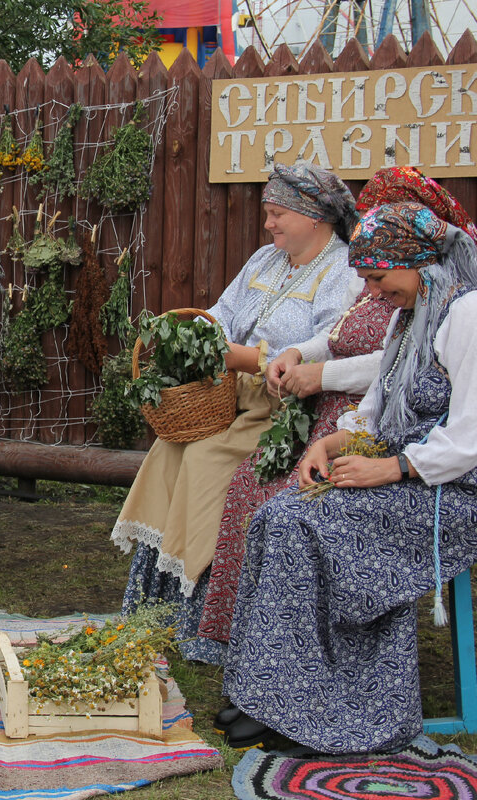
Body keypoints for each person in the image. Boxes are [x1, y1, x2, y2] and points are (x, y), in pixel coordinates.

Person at [221, 201, 477, 753]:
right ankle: (271, 694)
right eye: (369, 281)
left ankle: (333, 707)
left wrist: (391, 468)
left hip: (451, 490)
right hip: (406, 473)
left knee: (312, 527)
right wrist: (332, 442)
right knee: (280, 512)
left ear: (421, 264)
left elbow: (469, 437)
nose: (377, 293)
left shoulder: (468, 315)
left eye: (381, 278)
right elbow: (381, 406)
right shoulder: (411, 315)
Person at [111, 161, 359, 662]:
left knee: (205, 462)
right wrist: (189, 340)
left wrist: (255, 358)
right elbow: (220, 316)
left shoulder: (343, 270)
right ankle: (151, 602)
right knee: (169, 448)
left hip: (288, 408)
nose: (268, 224)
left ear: (314, 217)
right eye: (268, 214)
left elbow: (333, 344)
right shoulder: (265, 261)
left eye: (276, 213)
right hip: (227, 396)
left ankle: (198, 612)